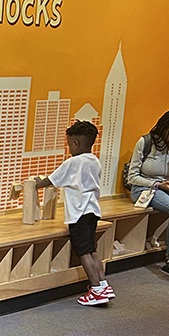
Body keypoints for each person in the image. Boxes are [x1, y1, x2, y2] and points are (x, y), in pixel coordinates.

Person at [35, 120, 112, 304]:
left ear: (75, 143)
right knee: (92, 250)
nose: (69, 147)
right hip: (93, 210)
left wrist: (35, 183)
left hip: (79, 213)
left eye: (69, 144)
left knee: (83, 252)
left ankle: (95, 289)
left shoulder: (73, 163)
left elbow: (52, 180)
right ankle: (103, 284)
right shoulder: (94, 161)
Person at [125, 109, 169, 276]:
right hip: (144, 188)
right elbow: (132, 177)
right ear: (164, 128)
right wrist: (157, 183)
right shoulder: (145, 142)